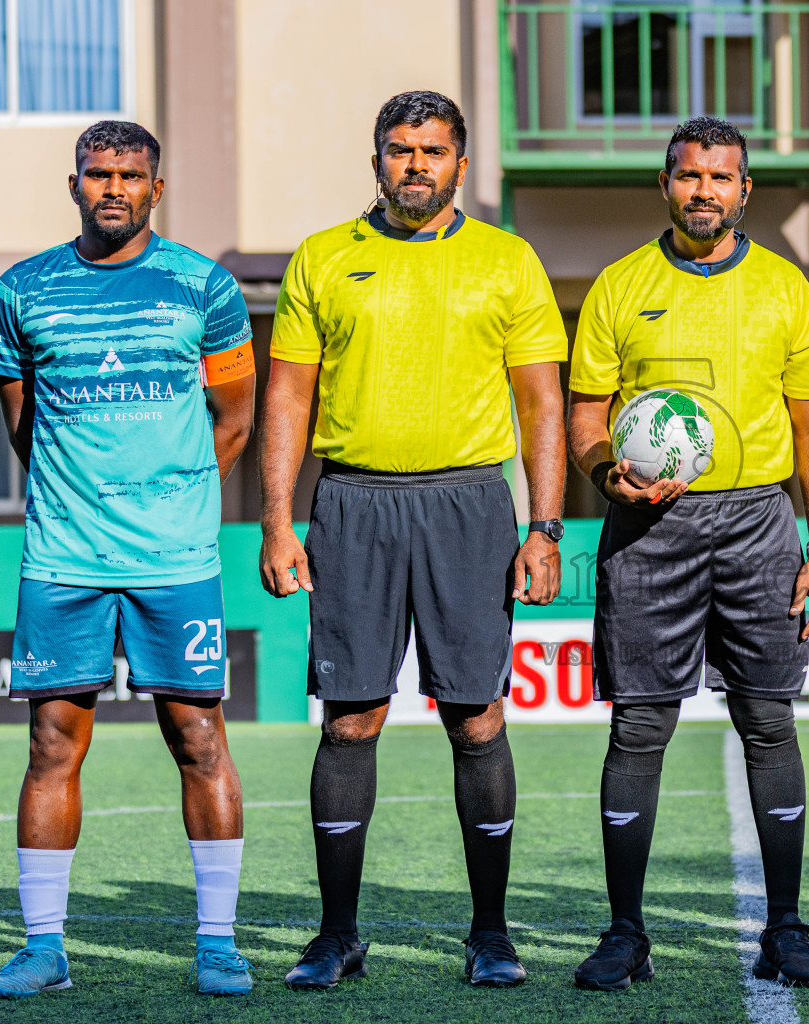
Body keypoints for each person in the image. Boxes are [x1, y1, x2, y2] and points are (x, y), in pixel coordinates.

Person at [258, 91, 568, 990]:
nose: (417, 165)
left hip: (470, 505)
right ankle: (337, 935)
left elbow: (542, 401)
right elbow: (287, 398)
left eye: (434, 151)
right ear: (377, 159)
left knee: (476, 717)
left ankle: (491, 934)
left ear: (461, 165)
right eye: (401, 150)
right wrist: (279, 521)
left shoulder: (507, 262)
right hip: (352, 503)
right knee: (351, 717)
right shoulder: (322, 259)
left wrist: (544, 527)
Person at [0, 121, 258, 998]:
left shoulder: (204, 287)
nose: (112, 188)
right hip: (62, 556)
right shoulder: (23, 289)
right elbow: (23, 422)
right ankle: (43, 947)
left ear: (155, 188)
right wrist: (84, 496)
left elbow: (236, 419)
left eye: (130, 175)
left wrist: (169, 495)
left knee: (199, 738)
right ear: (74, 185)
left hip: (174, 558)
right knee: (51, 742)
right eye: (97, 174)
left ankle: (217, 942)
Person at [566, 117, 809, 990]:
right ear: (666, 184)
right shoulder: (618, 286)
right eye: (689, 176)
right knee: (639, 723)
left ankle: (786, 928)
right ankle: (624, 933)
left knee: (768, 718)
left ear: (745, 190)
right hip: (649, 529)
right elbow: (585, 416)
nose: (705, 191)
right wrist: (609, 473)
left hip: (760, 520)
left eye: (721, 177)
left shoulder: (786, 289)